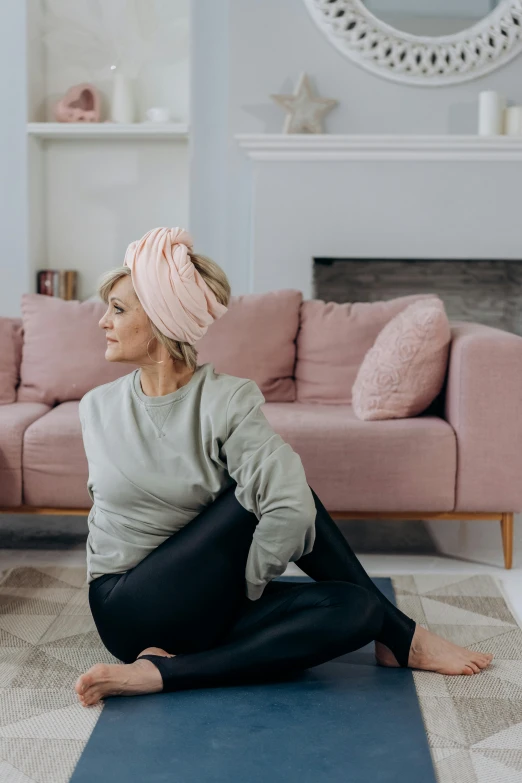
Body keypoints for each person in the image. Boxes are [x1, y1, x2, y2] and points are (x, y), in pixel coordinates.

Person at [75, 227, 493, 707]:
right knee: (276, 491)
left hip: (204, 604)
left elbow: (286, 507)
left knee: (358, 609)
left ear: (161, 320)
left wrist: (241, 583)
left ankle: (165, 670)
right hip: (128, 606)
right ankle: (405, 638)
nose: (103, 321)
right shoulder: (97, 407)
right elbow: (283, 505)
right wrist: (249, 582)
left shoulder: (225, 399)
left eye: (119, 309)